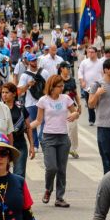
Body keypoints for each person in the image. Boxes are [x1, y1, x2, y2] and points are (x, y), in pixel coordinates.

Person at [30, 74, 78, 207]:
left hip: (63, 137)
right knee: (51, 168)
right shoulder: (43, 100)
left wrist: (74, 114)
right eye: (59, 86)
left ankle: (60, 198)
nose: (62, 88)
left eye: (62, 86)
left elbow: (75, 112)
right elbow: (39, 121)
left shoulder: (66, 98)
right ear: (51, 87)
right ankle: (48, 189)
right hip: (48, 137)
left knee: (62, 169)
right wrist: (27, 127)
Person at [17, 53, 50, 152]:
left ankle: (42, 139)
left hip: (44, 101)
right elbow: (19, 91)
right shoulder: (24, 75)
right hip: (30, 103)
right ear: (28, 61)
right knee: (32, 125)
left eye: (35, 60)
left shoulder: (44, 72)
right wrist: (28, 85)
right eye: (32, 61)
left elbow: (49, 86)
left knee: (45, 122)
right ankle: (35, 145)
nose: (34, 62)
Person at [1, 82, 34, 178]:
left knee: (19, 174)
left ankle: (18, 193)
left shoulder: (21, 108)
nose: (4, 95)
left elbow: (28, 127)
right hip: (3, 145)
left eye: (7, 92)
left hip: (19, 145)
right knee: (2, 174)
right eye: (2, 92)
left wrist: (31, 145)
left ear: (14, 94)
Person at [59, 62, 81, 159]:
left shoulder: (72, 80)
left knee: (73, 127)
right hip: (59, 107)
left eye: (69, 67)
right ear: (61, 69)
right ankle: (62, 148)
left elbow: (75, 93)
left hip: (71, 107)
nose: (68, 69)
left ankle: (73, 149)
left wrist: (79, 104)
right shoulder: (57, 79)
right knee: (61, 128)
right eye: (66, 68)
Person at [78, 46, 103, 126]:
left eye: (92, 52)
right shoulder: (84, 62)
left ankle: (100, 118)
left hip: (98, 87)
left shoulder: (101, 63)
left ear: (96, 53)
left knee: (99, 104)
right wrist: (82, 81)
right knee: (90, 104)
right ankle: (91, 120)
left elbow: (104, 74)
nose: (90, 54)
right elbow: (80, 73)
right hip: (88, 87)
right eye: (89, 52)